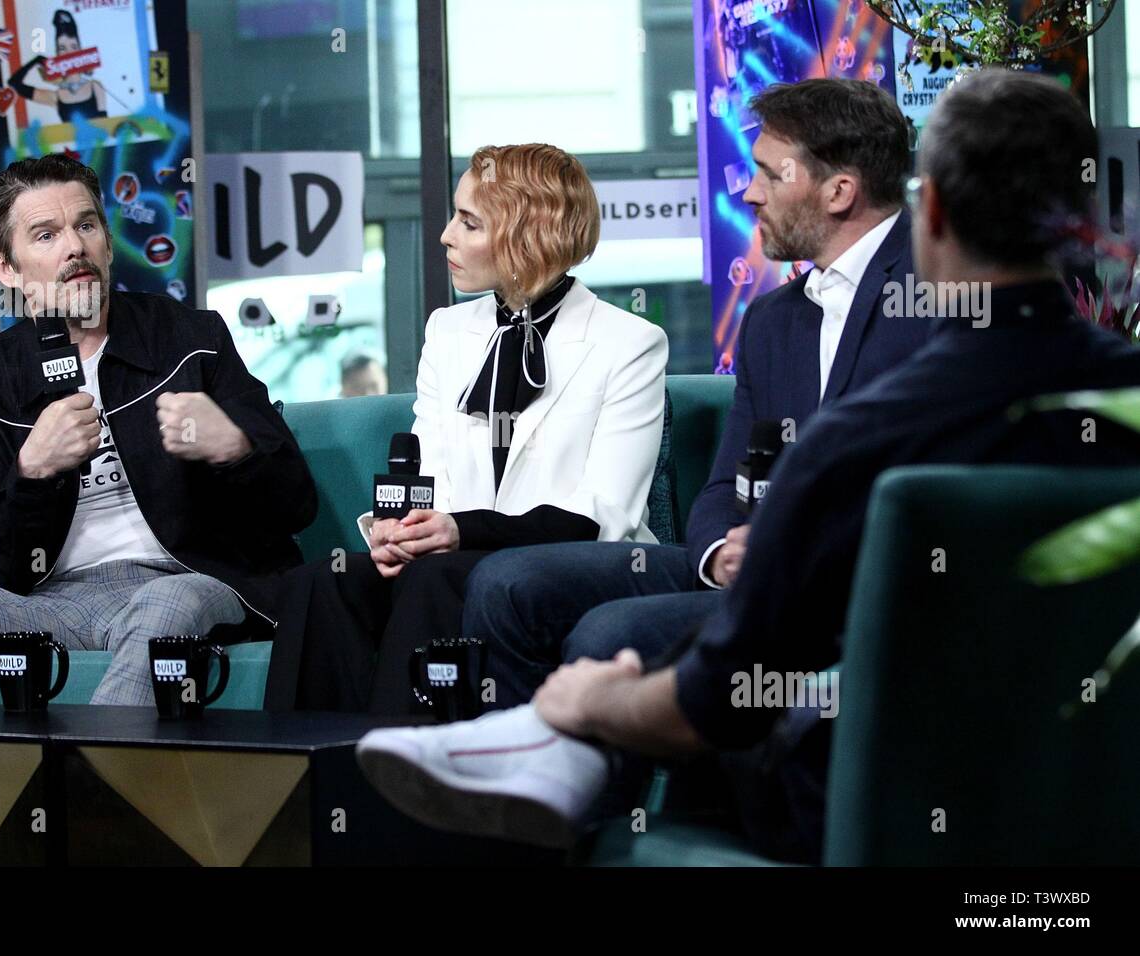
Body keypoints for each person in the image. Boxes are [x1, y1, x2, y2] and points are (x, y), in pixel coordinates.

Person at [355, 69, 1140, 860]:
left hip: (852, 775)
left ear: (924, 211)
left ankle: (549, 767)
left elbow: (719, 694)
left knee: (611, 655)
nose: (750, 192)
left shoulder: (854, 440)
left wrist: (596, 704)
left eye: (767, 174)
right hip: (1088, 795)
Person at [464, 79, 928, 709]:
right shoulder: (770, 320)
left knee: (609, 633)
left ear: (839, 190)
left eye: (768, 173)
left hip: (861, 580)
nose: (749, 191)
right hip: (750, 568)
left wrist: (792, 544)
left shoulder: (941, 294)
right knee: (505, 582)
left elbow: (940, 481)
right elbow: (721, 489)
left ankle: (580, 803)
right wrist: (715, 554)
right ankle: (517, 793)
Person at [0, 154, 316, 720]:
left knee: (167, 604)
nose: (75, 247)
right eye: (46, 235)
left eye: (86, 225)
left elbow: (297, 505)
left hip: (191, 581)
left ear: (108, 244)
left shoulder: (190, 339)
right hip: (54, 604)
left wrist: (236, 448)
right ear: (7, 269)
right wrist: (32, 474)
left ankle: (99, 797)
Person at [264, 143, 668, 715]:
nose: (446, 235)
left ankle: (404, 781)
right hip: (457, 557)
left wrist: (458, 530)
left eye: (469, 222)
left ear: (529, 235)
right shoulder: (449, 331)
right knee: (323, 583)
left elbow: (605, 513)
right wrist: (401, 531)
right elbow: (431, 477)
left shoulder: (629, 343)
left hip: (576, 564)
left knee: (439, 579)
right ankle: (315, 789)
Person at [9, 11, 108, 124]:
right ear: (57, 54)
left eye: (74, 47)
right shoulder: (56, 97)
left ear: (80, 50)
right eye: (62, 48)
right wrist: (36, 60)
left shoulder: (95, 87)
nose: (69, 53)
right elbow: (14, 83)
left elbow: (106, 125)